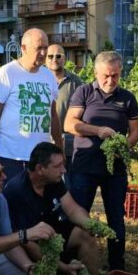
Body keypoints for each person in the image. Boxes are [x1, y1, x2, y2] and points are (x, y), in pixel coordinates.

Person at [65, 51, 138, 271]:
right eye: (106, 76)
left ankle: (117, 265)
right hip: (84, 167)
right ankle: (72, 262)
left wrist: (124, 146)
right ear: (96, 72)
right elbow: (70, 124)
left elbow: (136, 132)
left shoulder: (127, 98)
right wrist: (97, 130)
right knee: (78, 215)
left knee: (116, 216)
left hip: (115, 169)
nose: (110, 81)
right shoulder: (84, 92)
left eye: (115, 76)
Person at [3, 142, 101, 275]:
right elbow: (27, 242)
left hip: (52, 234)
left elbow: (73, 209)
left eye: (63, 164)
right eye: (58, 166)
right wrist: (63, 267)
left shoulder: (53, 179)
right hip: (30, 245)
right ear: (40, 169)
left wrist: (91, 224)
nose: (64, 170)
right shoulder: (17, 191)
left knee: (86, 233)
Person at [0, 28, 62, 182]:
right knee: (12, 202)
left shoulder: (48, 77)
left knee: (39, 203)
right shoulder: (7, 73)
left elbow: (52, 115)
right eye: (39, 48)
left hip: (41, 159)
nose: (44, 53)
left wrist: (59, 149)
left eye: (46, 48)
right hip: (11, 157)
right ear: (23, 48)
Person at [46, 44, 83, 182]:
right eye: (50, 56)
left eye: (58, 56)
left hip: (68, 143)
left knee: (68, 184)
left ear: (65, 58)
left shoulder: (75, 82)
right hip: (43, 141)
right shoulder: (39, 79)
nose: (54, 59)